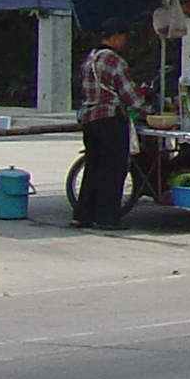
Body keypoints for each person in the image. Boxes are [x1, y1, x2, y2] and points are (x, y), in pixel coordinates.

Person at [74, 28, 145, 230]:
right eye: (123, 36)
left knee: (93, 166)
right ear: (114, 37)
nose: (124, 41)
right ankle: (107, 218)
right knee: (112, 169)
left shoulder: (89, 58)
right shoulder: (114, 61)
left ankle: (82, 215)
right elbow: (130, 95)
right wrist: (145, 110)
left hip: (89, 119)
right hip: (110, 119)